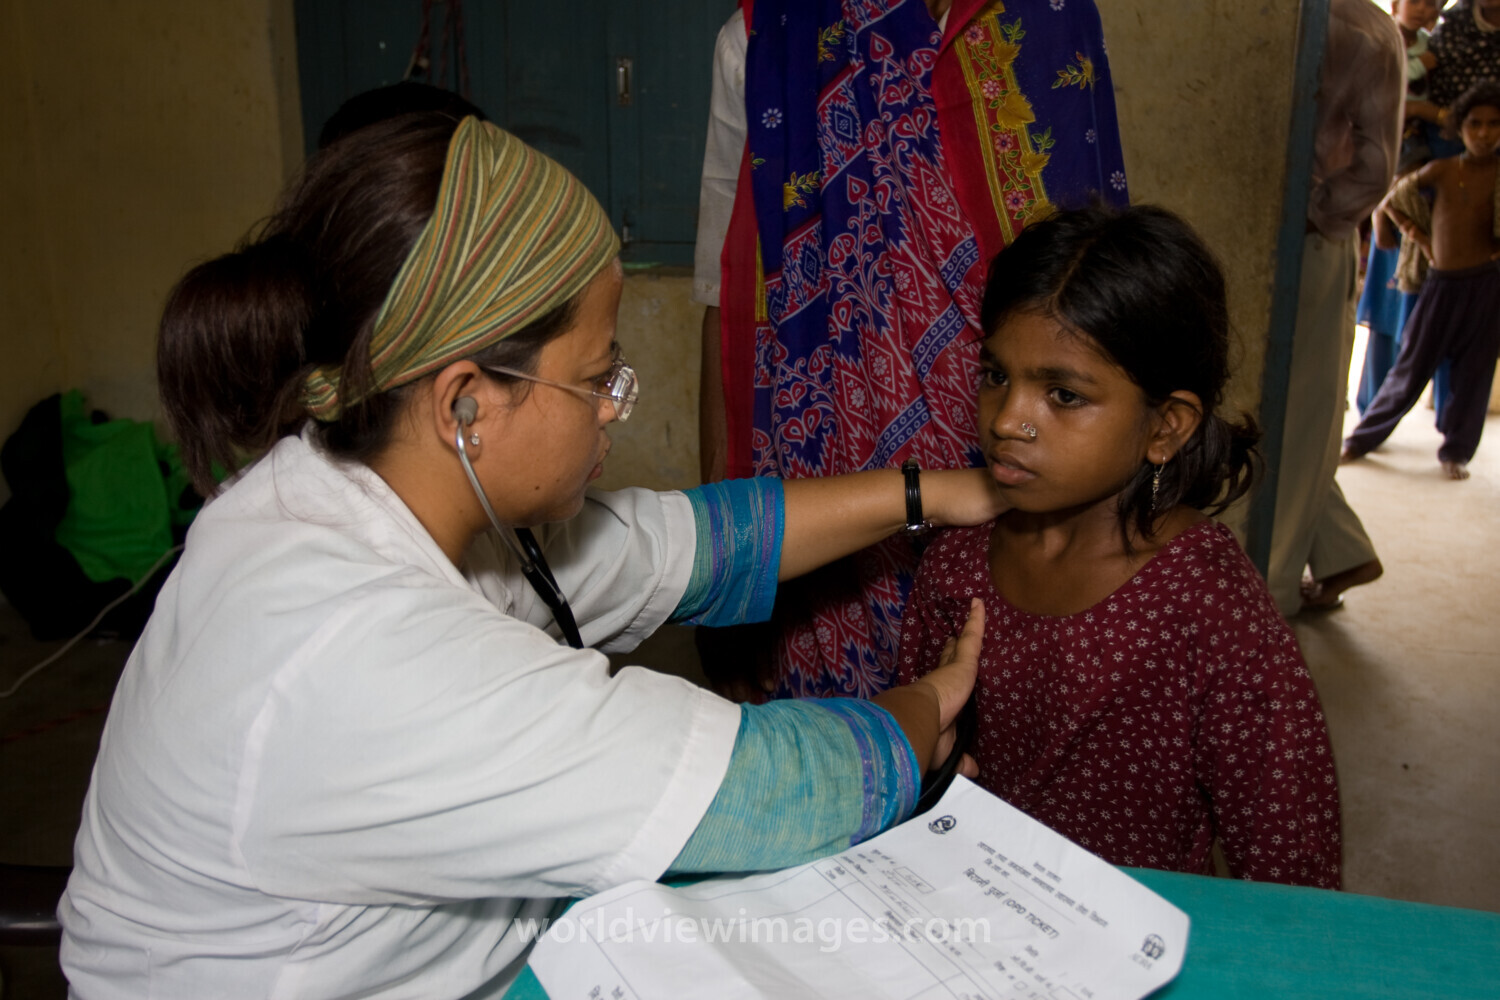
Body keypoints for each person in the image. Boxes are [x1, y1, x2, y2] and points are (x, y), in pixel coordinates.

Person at [58, 113, 1010, 998]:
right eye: (599, 378)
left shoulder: (344, 488)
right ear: (465, 402)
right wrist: (927, 708)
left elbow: (701, 545)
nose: (612, 408)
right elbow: (772, 792)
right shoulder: (360, 655)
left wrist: (931, 492)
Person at [896, 205, 1342, 889]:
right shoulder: (956, 562)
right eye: (995, 375)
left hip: (1128, 944)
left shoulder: (1211, 609)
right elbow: (912, 758)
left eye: (1064, 394)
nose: (1010, 418)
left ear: (1166, 426)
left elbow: (1292, 863)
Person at [695, 0, 1130, 699]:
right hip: (825, 508)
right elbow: (732, 303)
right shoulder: (763, 38)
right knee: (847, 762)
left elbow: (1106, 288)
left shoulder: (1051, 19)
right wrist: (727, 565)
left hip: (1022, 480)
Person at [1266, 0, 1403, 617]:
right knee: (1297, 412)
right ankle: (1339, 547)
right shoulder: (1361, 24)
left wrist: (1306, 217)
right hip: (1295, 233)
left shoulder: (1355, 28)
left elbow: (1375, 170)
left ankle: (1268, 592)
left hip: (1312, 238)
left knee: (1294, 417)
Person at [1343, 81, 1500, 480]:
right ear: (1459, 128)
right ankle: (1362, 439)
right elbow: (1393, 202)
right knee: (1410, 366)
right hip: (1441, 285)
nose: (1484, 133)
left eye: (1493, 124)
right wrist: (1422, 240)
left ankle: (1456, 452)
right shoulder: (1443, 170)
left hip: (1487, 286)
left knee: (1475, 372)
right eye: (1475, 124)